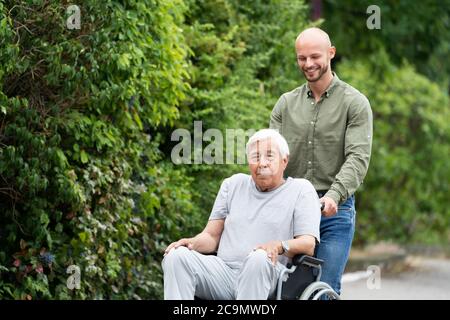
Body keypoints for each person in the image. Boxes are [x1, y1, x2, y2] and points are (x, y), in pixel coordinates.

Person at [270, 27, 373, 295]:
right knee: (283, 288)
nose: (308, 64)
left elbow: (358, 157)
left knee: (322, 289)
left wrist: (334, 195)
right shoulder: (285, 104)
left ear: (331, 53)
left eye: (315, 56)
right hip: (291, 209)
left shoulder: (355, 103)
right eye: (301, 58)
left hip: (333, 213)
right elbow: (272, 157)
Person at [162, 129, 321, 300]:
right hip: (224, 272)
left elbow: (308, 244)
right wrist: (191, 243)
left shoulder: (301, 190)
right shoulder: (233, 184)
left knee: (259, 257)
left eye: (269, 156)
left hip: (269, 274)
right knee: (176, 256)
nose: (262, 163)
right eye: (255, 157)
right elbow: (211, 236)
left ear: (284, 160)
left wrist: (279, 246)